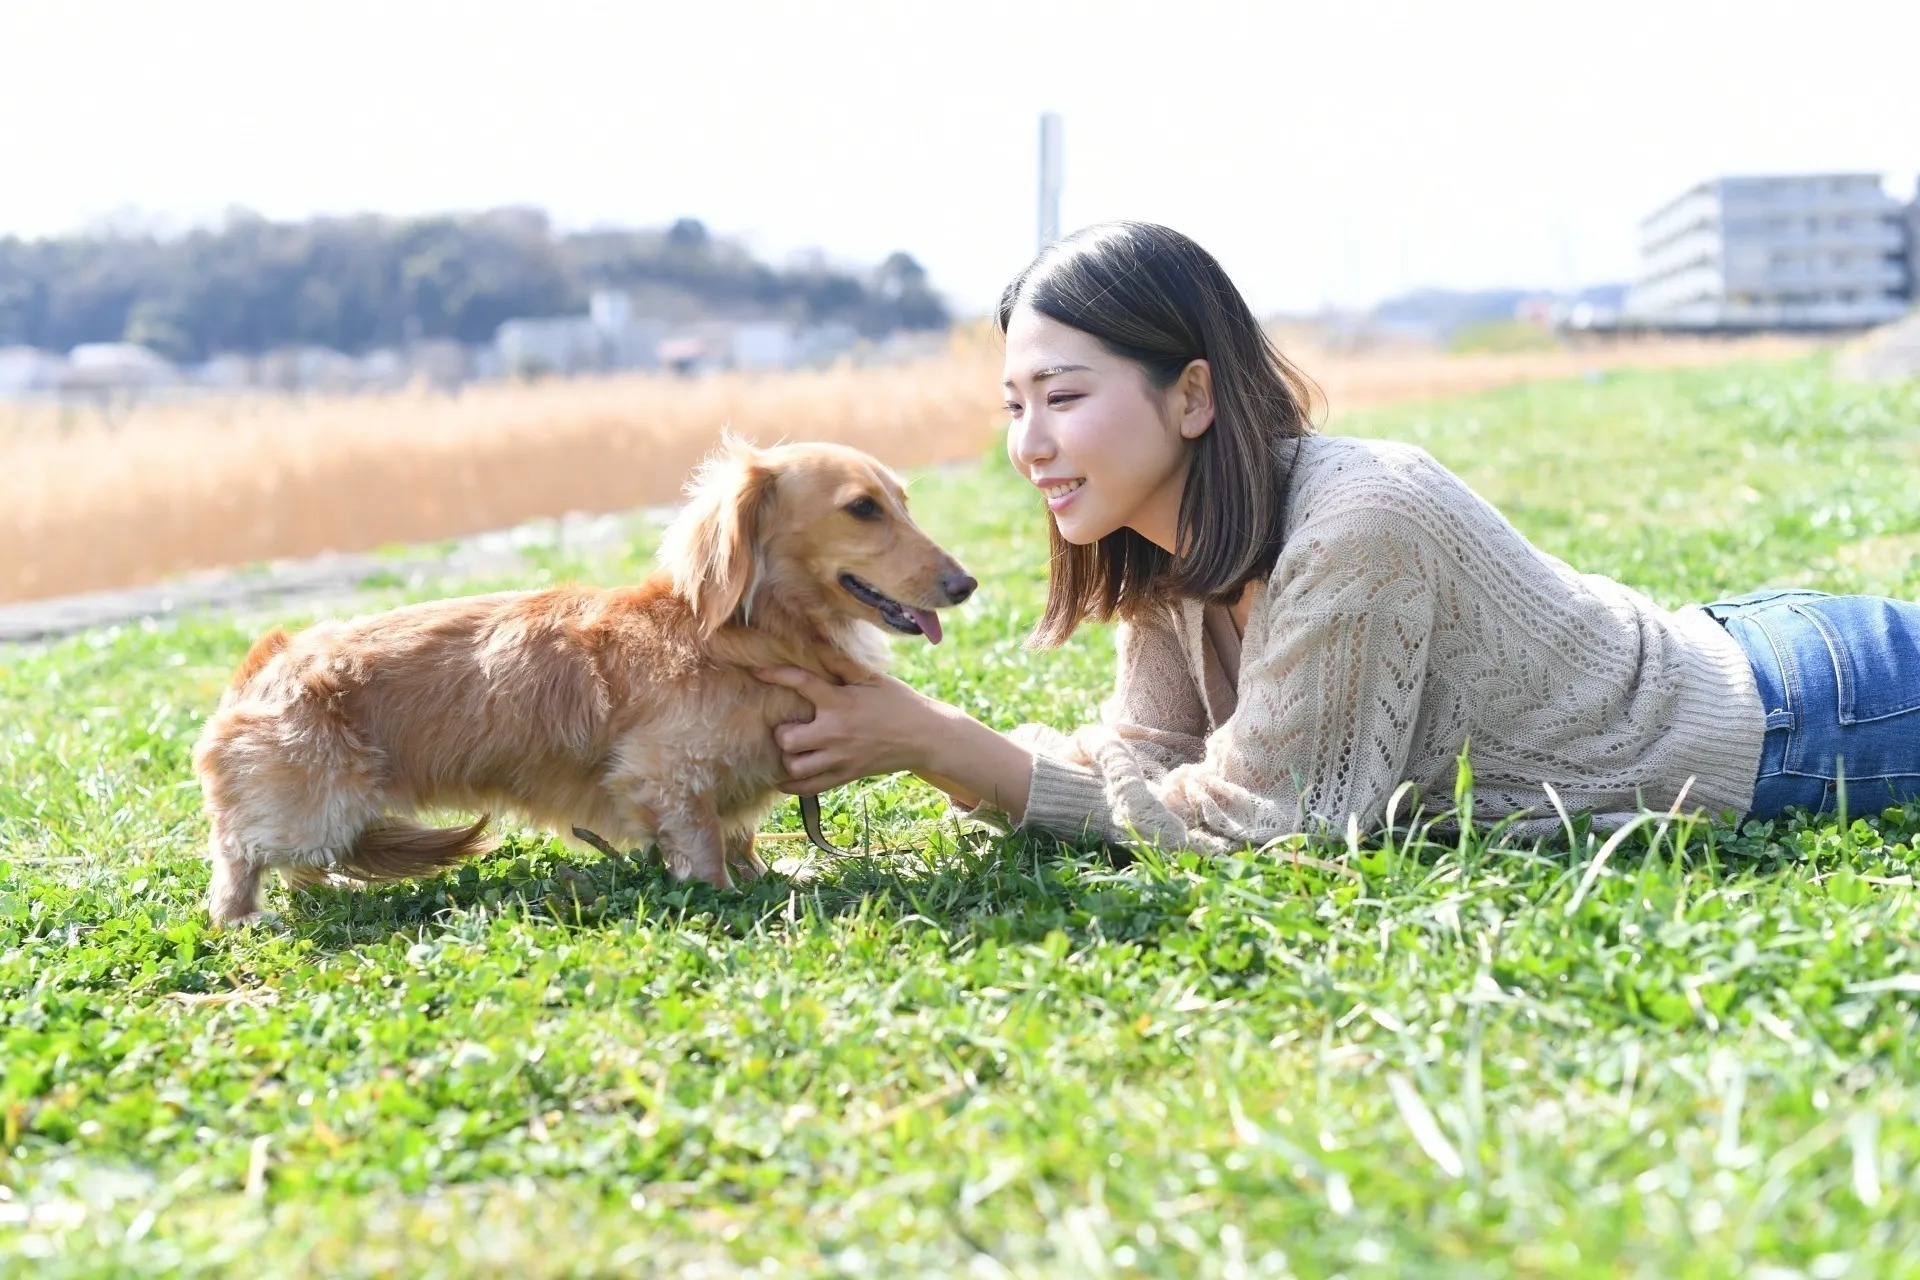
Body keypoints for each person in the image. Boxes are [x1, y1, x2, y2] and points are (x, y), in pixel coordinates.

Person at [754, 222, 1920, 854]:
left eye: (1063, 396)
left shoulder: (1361, 520)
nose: (1030, 443)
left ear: (1192, 395)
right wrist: (940, 745)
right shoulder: (1167, 548)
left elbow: (1270, 823)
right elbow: (1153, 751)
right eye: (1015, 405)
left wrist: (949, 745)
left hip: (1806, 712)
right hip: (1741, 645)